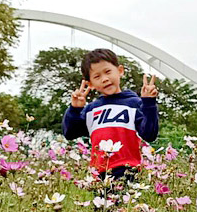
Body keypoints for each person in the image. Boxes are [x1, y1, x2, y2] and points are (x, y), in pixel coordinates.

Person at [61, 48, 159, 192]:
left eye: (108, 72)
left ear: (120, 70)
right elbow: (69, 133)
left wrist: (149, 103)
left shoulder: (135, 103)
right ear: (90, 84)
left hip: (127, 171)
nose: (105, 79)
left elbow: (149, 134)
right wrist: (74, 109)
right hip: (99, 175)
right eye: (97, 76)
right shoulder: (91, 110)